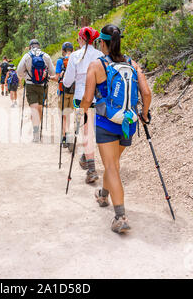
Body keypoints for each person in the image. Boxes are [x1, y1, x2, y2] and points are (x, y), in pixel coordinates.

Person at [80, 24, 152, 233]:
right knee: (114, 163)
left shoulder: (96, 65)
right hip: (128, 123)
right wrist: (145, 114)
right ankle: (103, 195)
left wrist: (83, 109)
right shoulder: (132, 63)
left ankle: (120, 217)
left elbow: (87, 98)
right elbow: (146, 93)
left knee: (111, 166)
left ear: (101, 42)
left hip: (106, 122)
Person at [63, 27, 103, 184]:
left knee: (86, 132)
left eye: (78, 38)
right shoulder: (100, 55)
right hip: (98, 98)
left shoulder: (75, 55)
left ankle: (92, 169)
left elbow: (67, 81)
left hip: (81, 98)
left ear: (81, 38)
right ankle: (87, 157)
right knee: (92, 130)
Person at [17, 39, 56, 142]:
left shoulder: (27, 56)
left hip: (30, 85)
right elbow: (52, 72)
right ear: (39, 46)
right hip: (43, 86)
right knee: (39, 108)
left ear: (30, 46)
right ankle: (38, 129)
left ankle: (35, 133)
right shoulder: (46, 56)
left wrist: (27, 76)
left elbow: (19, 72)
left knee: (34, 109)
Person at [52, 42, 75, 150]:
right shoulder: (76, 59)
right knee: (69, 114)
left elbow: (57, 78)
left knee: (63, 115)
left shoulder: (60, 61)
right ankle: (70, 134)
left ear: (63, 50)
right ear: (72, 50)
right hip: (74, 92)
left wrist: (49, 77)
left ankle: (64, 137)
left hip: (63, 92)